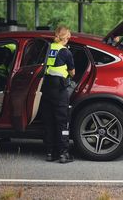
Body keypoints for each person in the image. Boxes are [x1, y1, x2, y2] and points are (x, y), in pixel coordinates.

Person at [40, 25, 75, 163]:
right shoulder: (66, 52)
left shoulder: (48, 48)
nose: (69, 38)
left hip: (46, 89)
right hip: (59, 91)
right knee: (62, 122)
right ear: (65, 37)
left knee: (48, 122)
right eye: (69, 36)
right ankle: (63, 154)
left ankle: (50, 153)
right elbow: (72, 73)